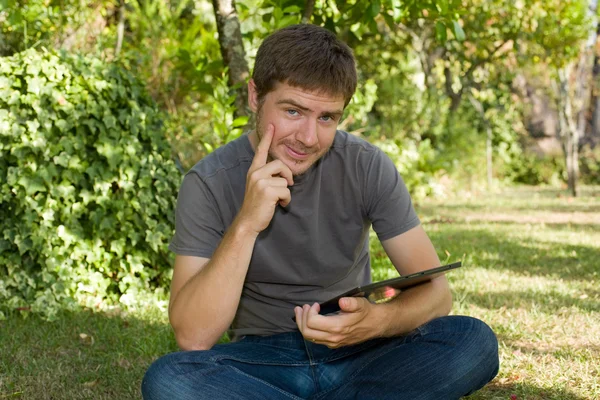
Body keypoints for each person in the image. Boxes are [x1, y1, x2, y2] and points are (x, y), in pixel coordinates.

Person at [142, 24, 499, 400]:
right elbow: (193, 336)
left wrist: (378, 321)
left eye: (326, 117)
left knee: (473, 340)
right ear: (254, 95)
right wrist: (246, 223)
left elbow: (437, 295)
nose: (308, 137)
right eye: (294, 110)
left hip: (359, 349)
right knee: (170, 379)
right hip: (263, 359)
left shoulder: (367, 165)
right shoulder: (208, 181)